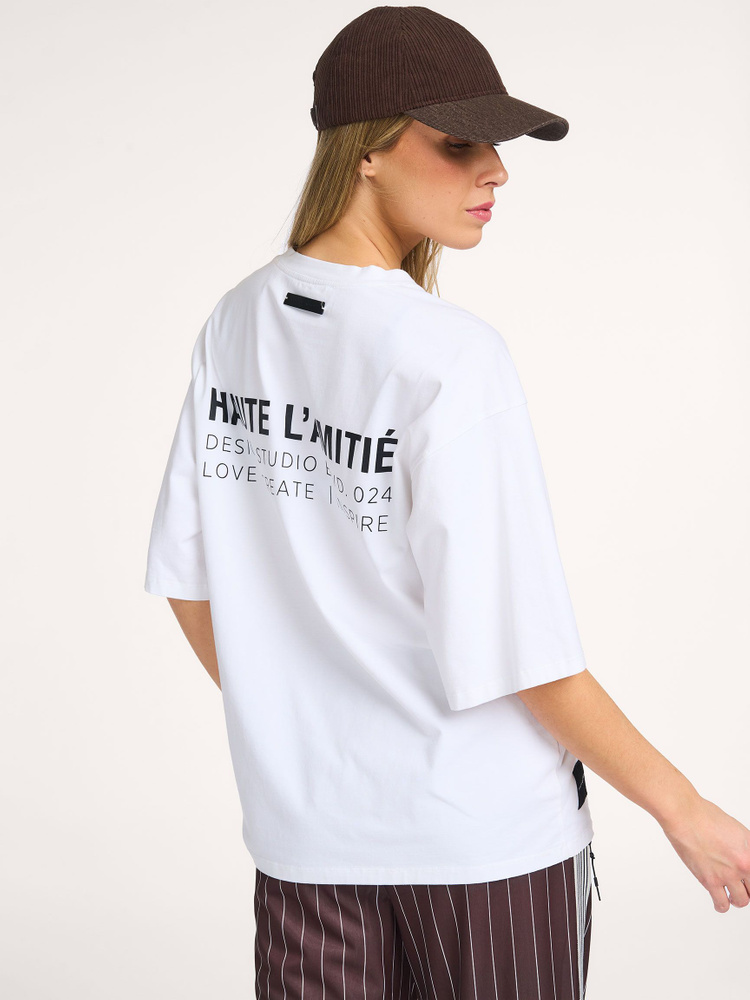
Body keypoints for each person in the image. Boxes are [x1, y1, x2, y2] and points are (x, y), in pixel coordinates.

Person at [144, 6, 750, 998]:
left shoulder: (237, 322)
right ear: (367, 152)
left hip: (308, 843)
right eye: (459, 144)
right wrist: (685, 810)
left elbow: (188, 580)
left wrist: (311, 726)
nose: (497, 171)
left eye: (496, 146)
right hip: (484, 849)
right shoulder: (450, 358)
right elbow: (524, 654)